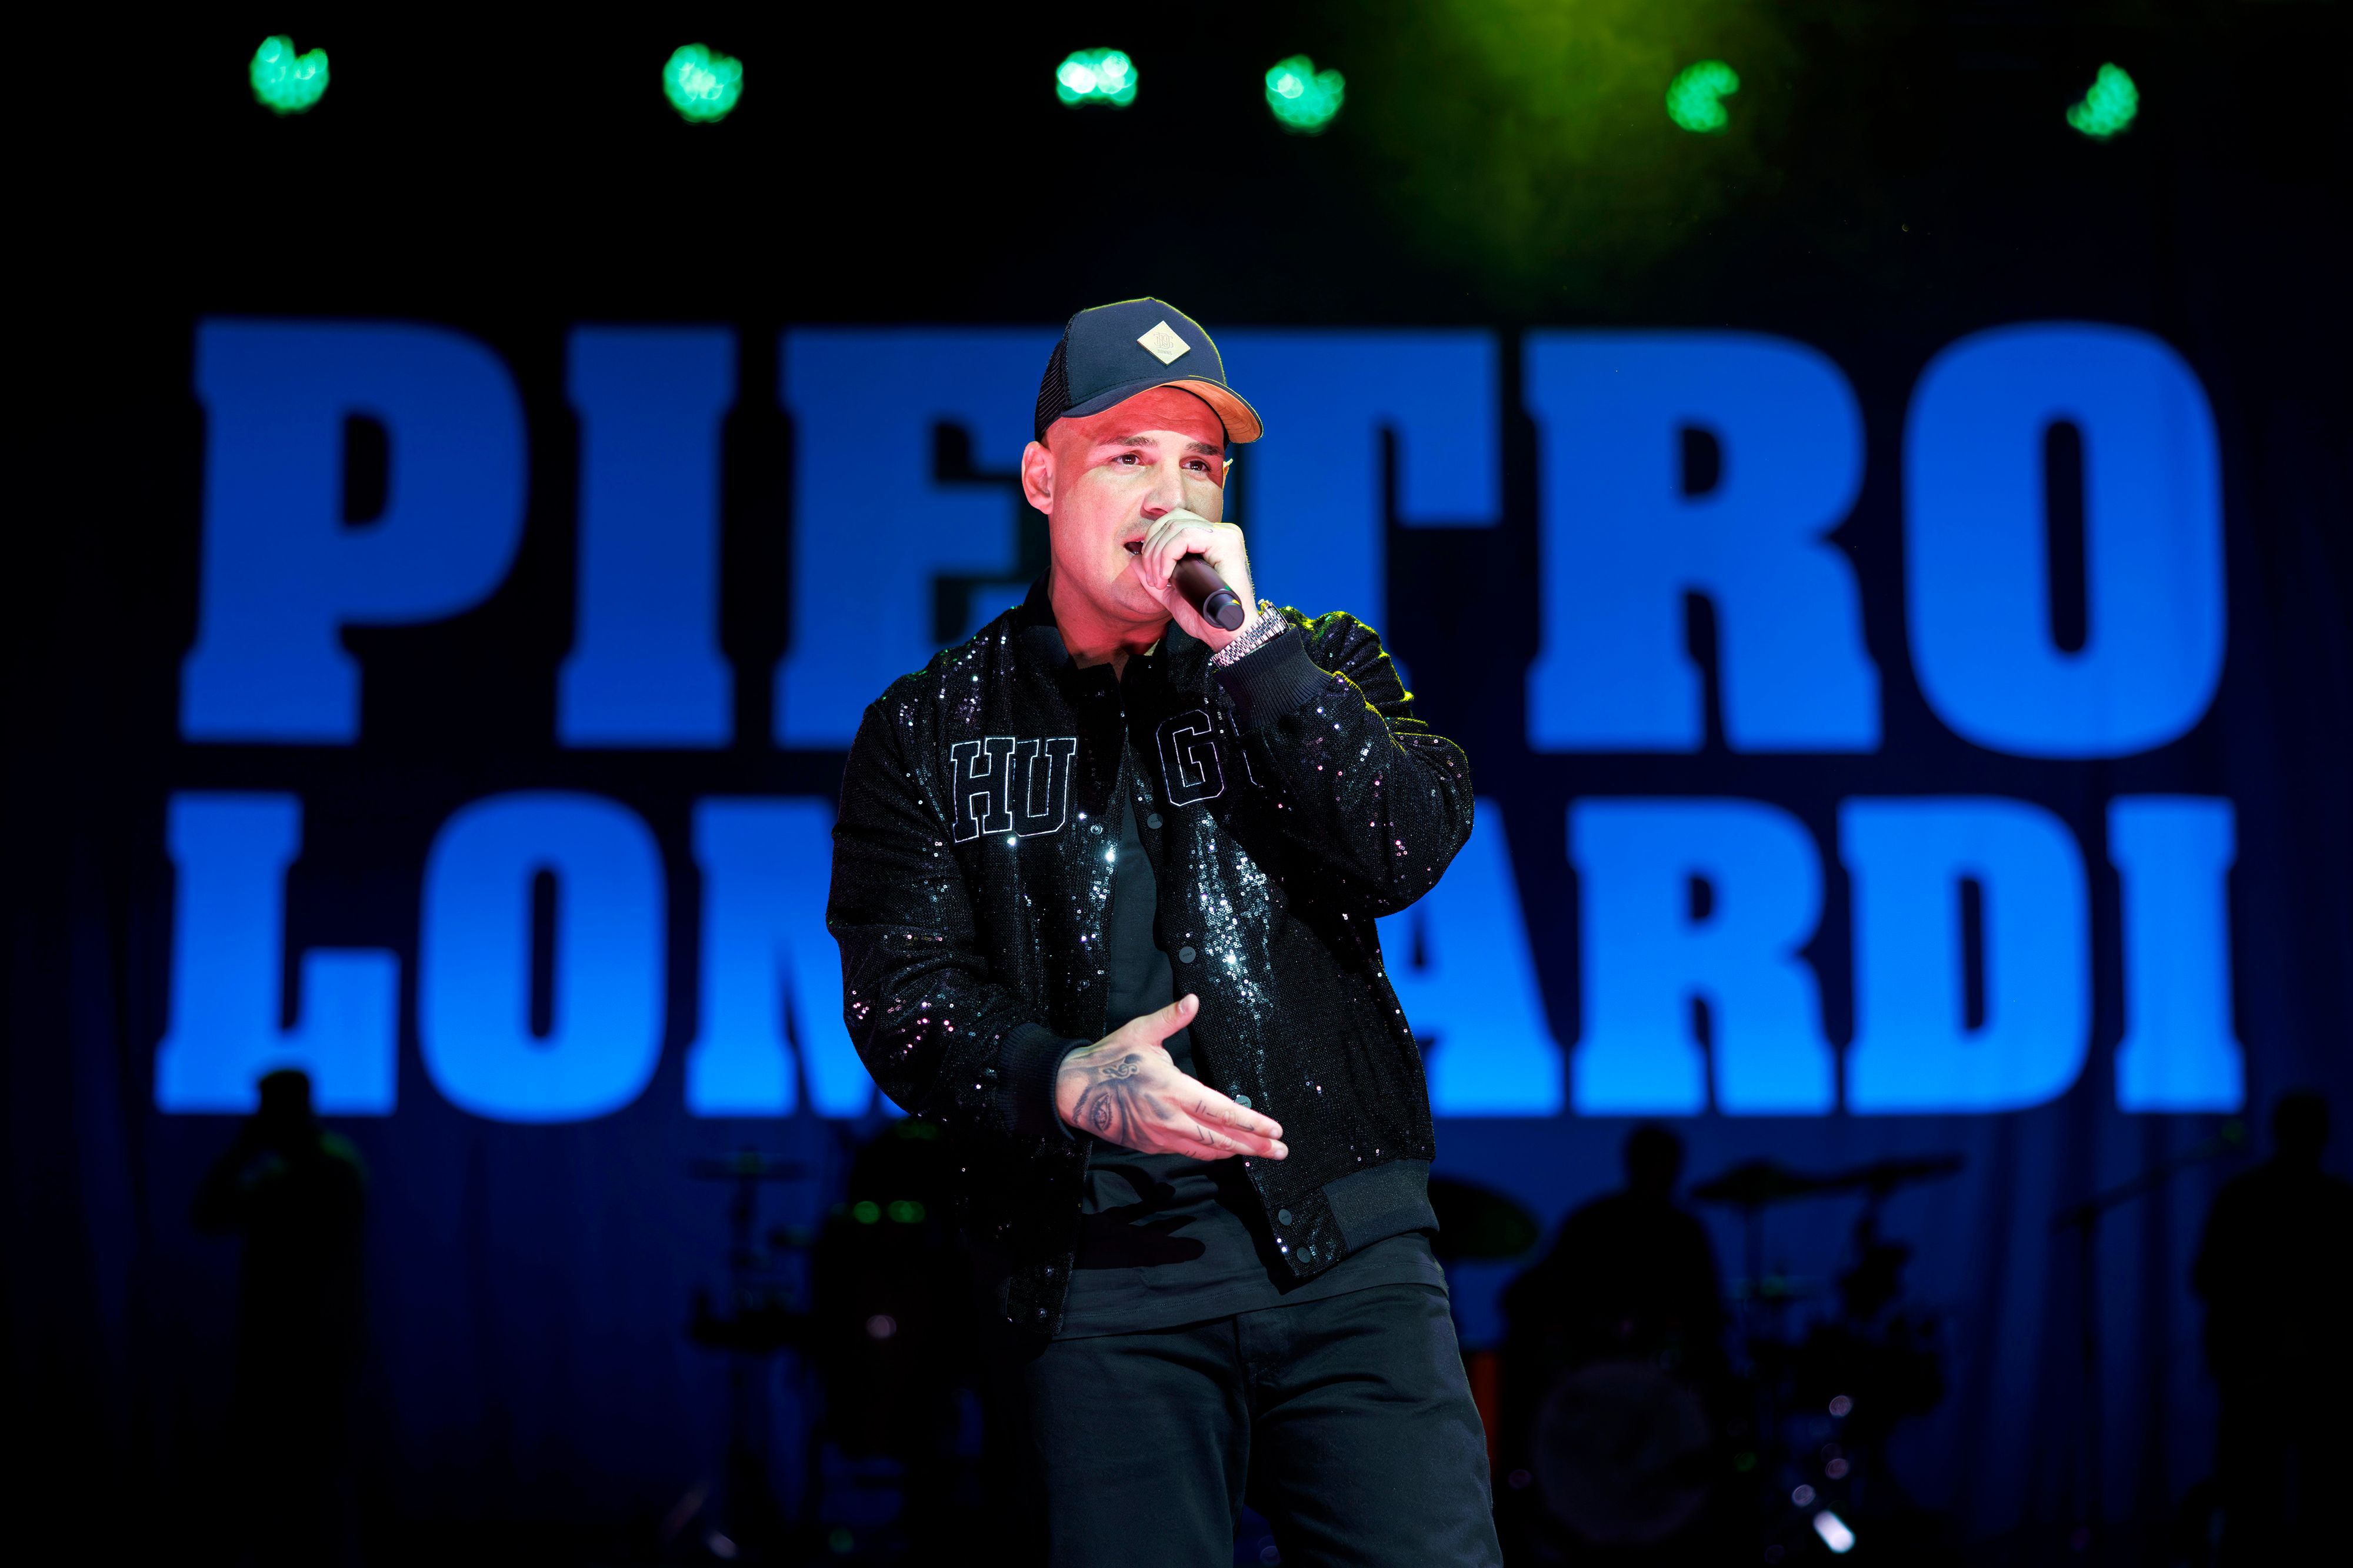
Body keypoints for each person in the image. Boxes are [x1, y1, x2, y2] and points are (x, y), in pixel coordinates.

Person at [828, 298, 1498, 1565]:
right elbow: (902, 992)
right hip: (1097, 1279)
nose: (1169, 491)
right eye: (1127, 454)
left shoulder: (1312, 661)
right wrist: (1070, 1080)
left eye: (1200, 462)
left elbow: (1405, 841)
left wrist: (1250, 653)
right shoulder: (928, 730)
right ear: (1040, 477)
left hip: (1343, 1247)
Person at [191, 1067, 369, 1568]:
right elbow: (207, 1215)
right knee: (262, 1477)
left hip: (322, 1350)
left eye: (273, 1106)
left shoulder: (334, 1165)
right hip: (268, 1350)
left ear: (300, 1106)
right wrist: (242, 1153)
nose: (264, 1116)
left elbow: (327, 1251)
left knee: (322, 1475)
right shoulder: (271, 1171)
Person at [2191, 1089, 2353, 1564]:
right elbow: (2208, 1278)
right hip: (2260, 1371)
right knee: (2259, 1504)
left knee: (2308, 1503)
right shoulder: (2249, 1198)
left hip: (2311, 1373)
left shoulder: (2328, 1202)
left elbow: (2206, 1277)